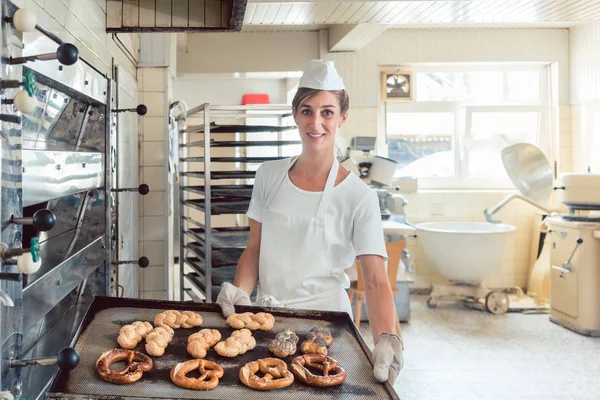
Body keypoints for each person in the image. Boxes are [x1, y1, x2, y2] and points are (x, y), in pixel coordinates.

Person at [216, 59, 404, 384]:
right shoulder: (268, 175)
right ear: (295, 114)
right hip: (269, 318)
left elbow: (374, 281)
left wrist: (386, 336)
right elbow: (255, 249)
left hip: (328, 328)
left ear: (342, 117)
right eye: (307, 110)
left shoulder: (359, 196)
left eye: (327, 111)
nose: (316, 122)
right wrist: (242, 292)